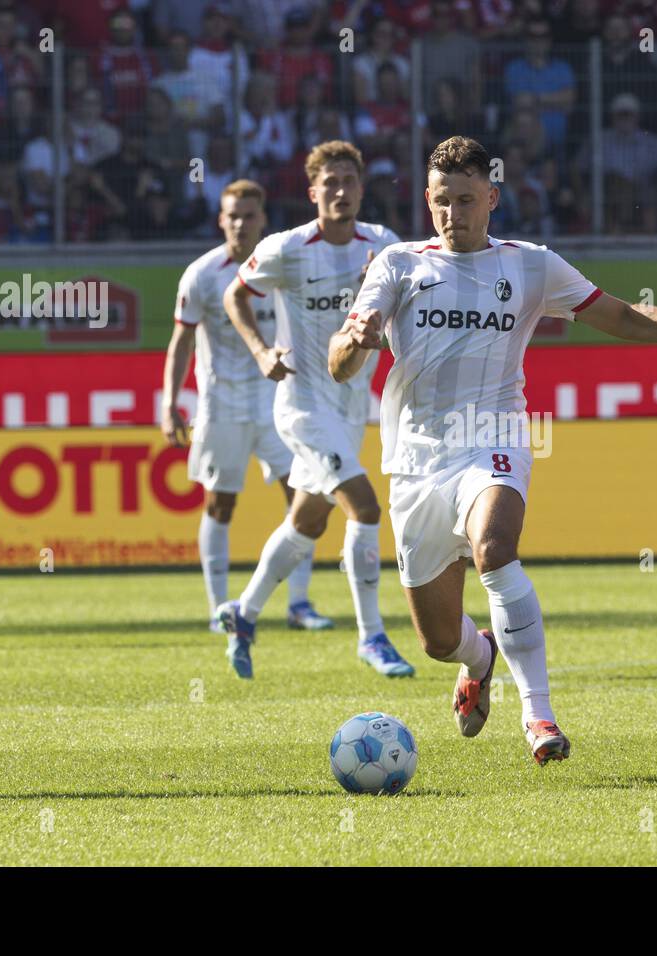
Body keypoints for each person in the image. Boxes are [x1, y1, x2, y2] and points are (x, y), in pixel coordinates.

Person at [329, 135, 657, 764]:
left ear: (492, 199)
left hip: (497, 437)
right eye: (442, 201)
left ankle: (539, 716)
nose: (454, 213)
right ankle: (478, 658)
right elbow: (339, 364)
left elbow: (615, 315)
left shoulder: (531, 265)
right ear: (428, 201)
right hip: (418, 459)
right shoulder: (397, 265)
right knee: (435, 639)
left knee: (496, 547)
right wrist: (357, 341)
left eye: (467, 200)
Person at [218, 142, 413, 680]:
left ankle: (244, 611)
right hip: (302, 405)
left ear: (361, 189)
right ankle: (372, 636)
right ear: (313, 192)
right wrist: (261, 352)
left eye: (349, 181)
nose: (341, 191)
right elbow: (237, 295)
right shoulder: (287, 248)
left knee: (306, 521)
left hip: (352, 409)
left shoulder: (384, 246)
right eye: (330, 182)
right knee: (366, 509)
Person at [162, 179, 333, 648]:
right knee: (220, 503)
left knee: (302, 496)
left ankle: (298, 604)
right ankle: (220, 608)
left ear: (262, 219)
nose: (240, 223)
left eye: (249, 215)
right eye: (232, 215)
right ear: (221, 220)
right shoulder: (202, 274)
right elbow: (180, 342)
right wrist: (169, 402)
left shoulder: (283, 269)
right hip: (222, 404)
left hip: (280, 400)